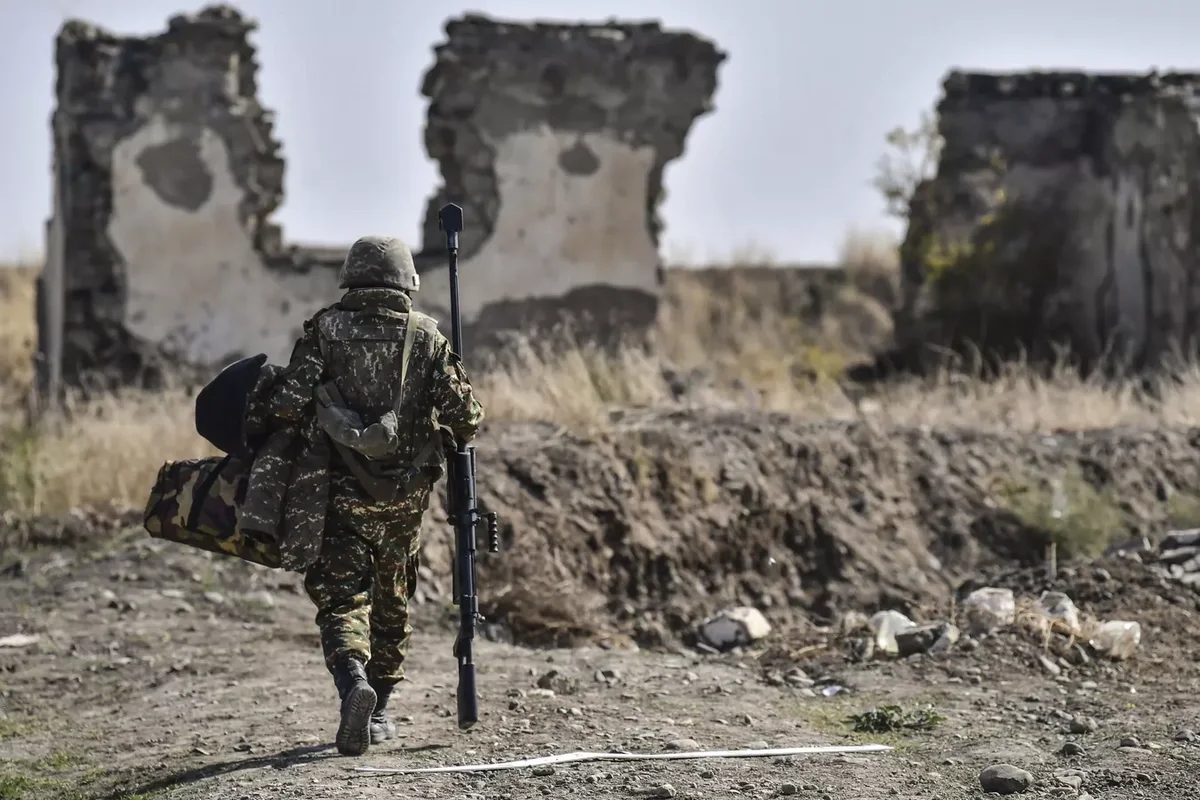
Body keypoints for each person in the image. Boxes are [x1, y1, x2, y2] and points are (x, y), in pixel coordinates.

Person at [259, 235, 484, 756]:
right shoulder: (426, 337)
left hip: (336, 496)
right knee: (392, 600)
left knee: (342, 599)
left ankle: (352, 682)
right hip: (403, 501)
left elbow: (289, 406)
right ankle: (379, 708)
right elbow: (467, 419)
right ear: (407, 281)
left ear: (351, 277)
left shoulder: (325, 329)